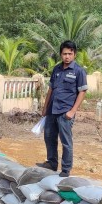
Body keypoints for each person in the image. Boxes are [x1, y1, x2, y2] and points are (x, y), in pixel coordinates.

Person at [38, 41, 88, 177]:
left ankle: (66, 169)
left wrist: (72, 111)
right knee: (49, 136)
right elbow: (51, 89)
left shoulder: (79, 71)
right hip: (52, 110)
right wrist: (45, 108)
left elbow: (82, 92)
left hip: (65, 112)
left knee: (66, 141)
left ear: (74, 54)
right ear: (60, 54)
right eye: (64, 54)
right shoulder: (57, 69)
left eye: (70, 54)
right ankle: (52, 163)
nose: (67, 56)